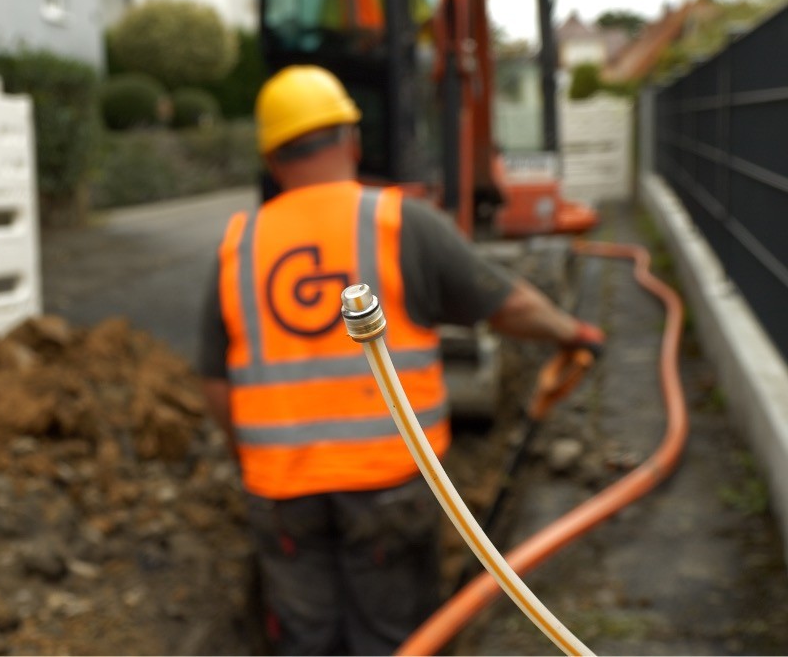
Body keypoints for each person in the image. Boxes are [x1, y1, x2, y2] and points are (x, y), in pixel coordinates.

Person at [197, 65, 605, 656]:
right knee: (395, 641)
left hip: (282, 493)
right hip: (388, 484)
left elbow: (215, 384)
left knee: (306, 639)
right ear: (351, 140)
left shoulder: (238, 244)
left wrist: (254, 452)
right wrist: (574, 333)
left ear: (270, 157)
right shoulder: (398, 222)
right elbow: (509, 305)